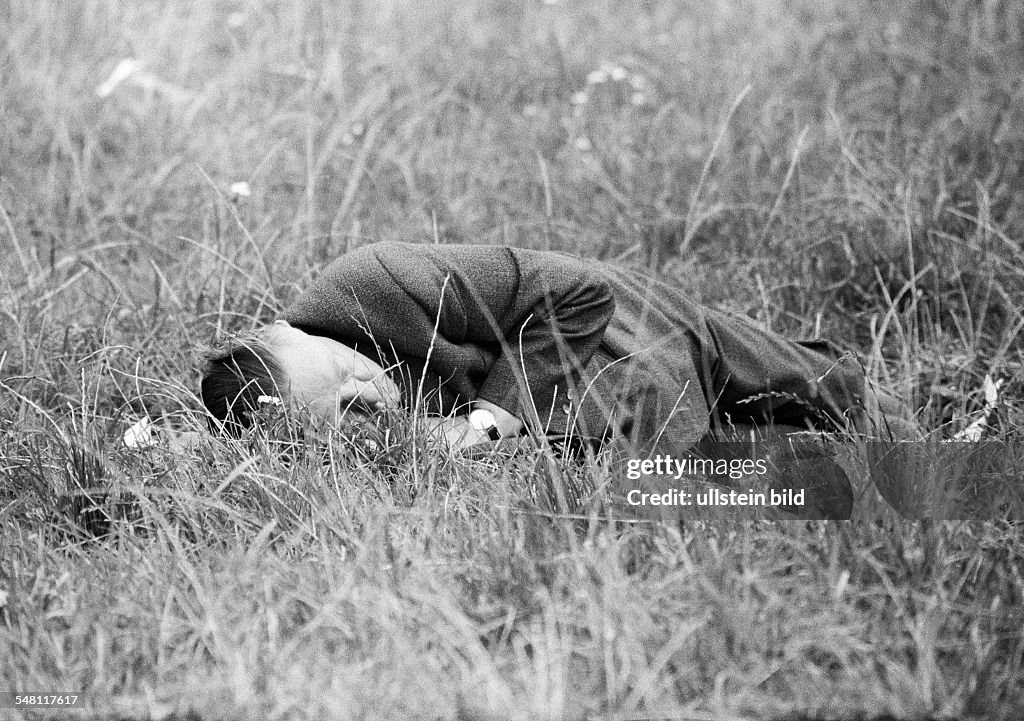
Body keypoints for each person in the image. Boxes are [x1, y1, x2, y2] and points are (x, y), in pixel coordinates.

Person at [200, 242, 918, 516]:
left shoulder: (376, 279)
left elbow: (575, 291)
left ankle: (881, 416)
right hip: (586, 415)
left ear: (289, 332)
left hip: (615, 324)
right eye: (348, 418)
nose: (372, 400)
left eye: (350, 382)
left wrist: (481, 424)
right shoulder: (306, 401)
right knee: (712, 465)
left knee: (807, 383)